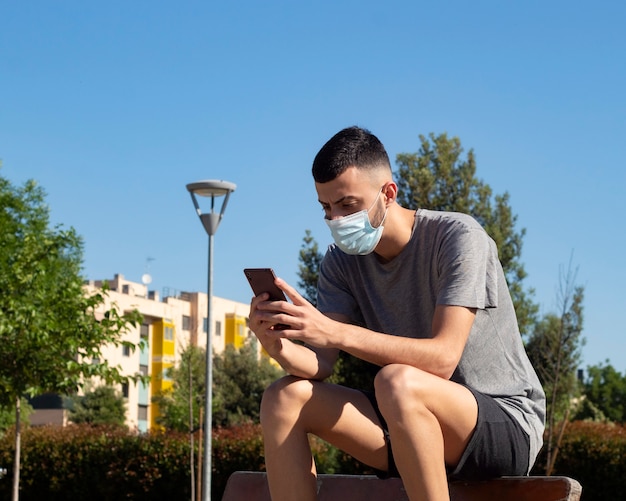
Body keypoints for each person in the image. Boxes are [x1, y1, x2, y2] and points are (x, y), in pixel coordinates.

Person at [249, 126, 545, 501]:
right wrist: (276, 341)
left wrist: (335, 332)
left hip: (502, 424)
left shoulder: (457, 237)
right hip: (409, 424)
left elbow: (441, 359)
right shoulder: (340, 264)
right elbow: (319, 365)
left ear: (388, 193)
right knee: (283, 397)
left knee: (396, 382)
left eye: (348, 205)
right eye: (326, 208)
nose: (337, 220)